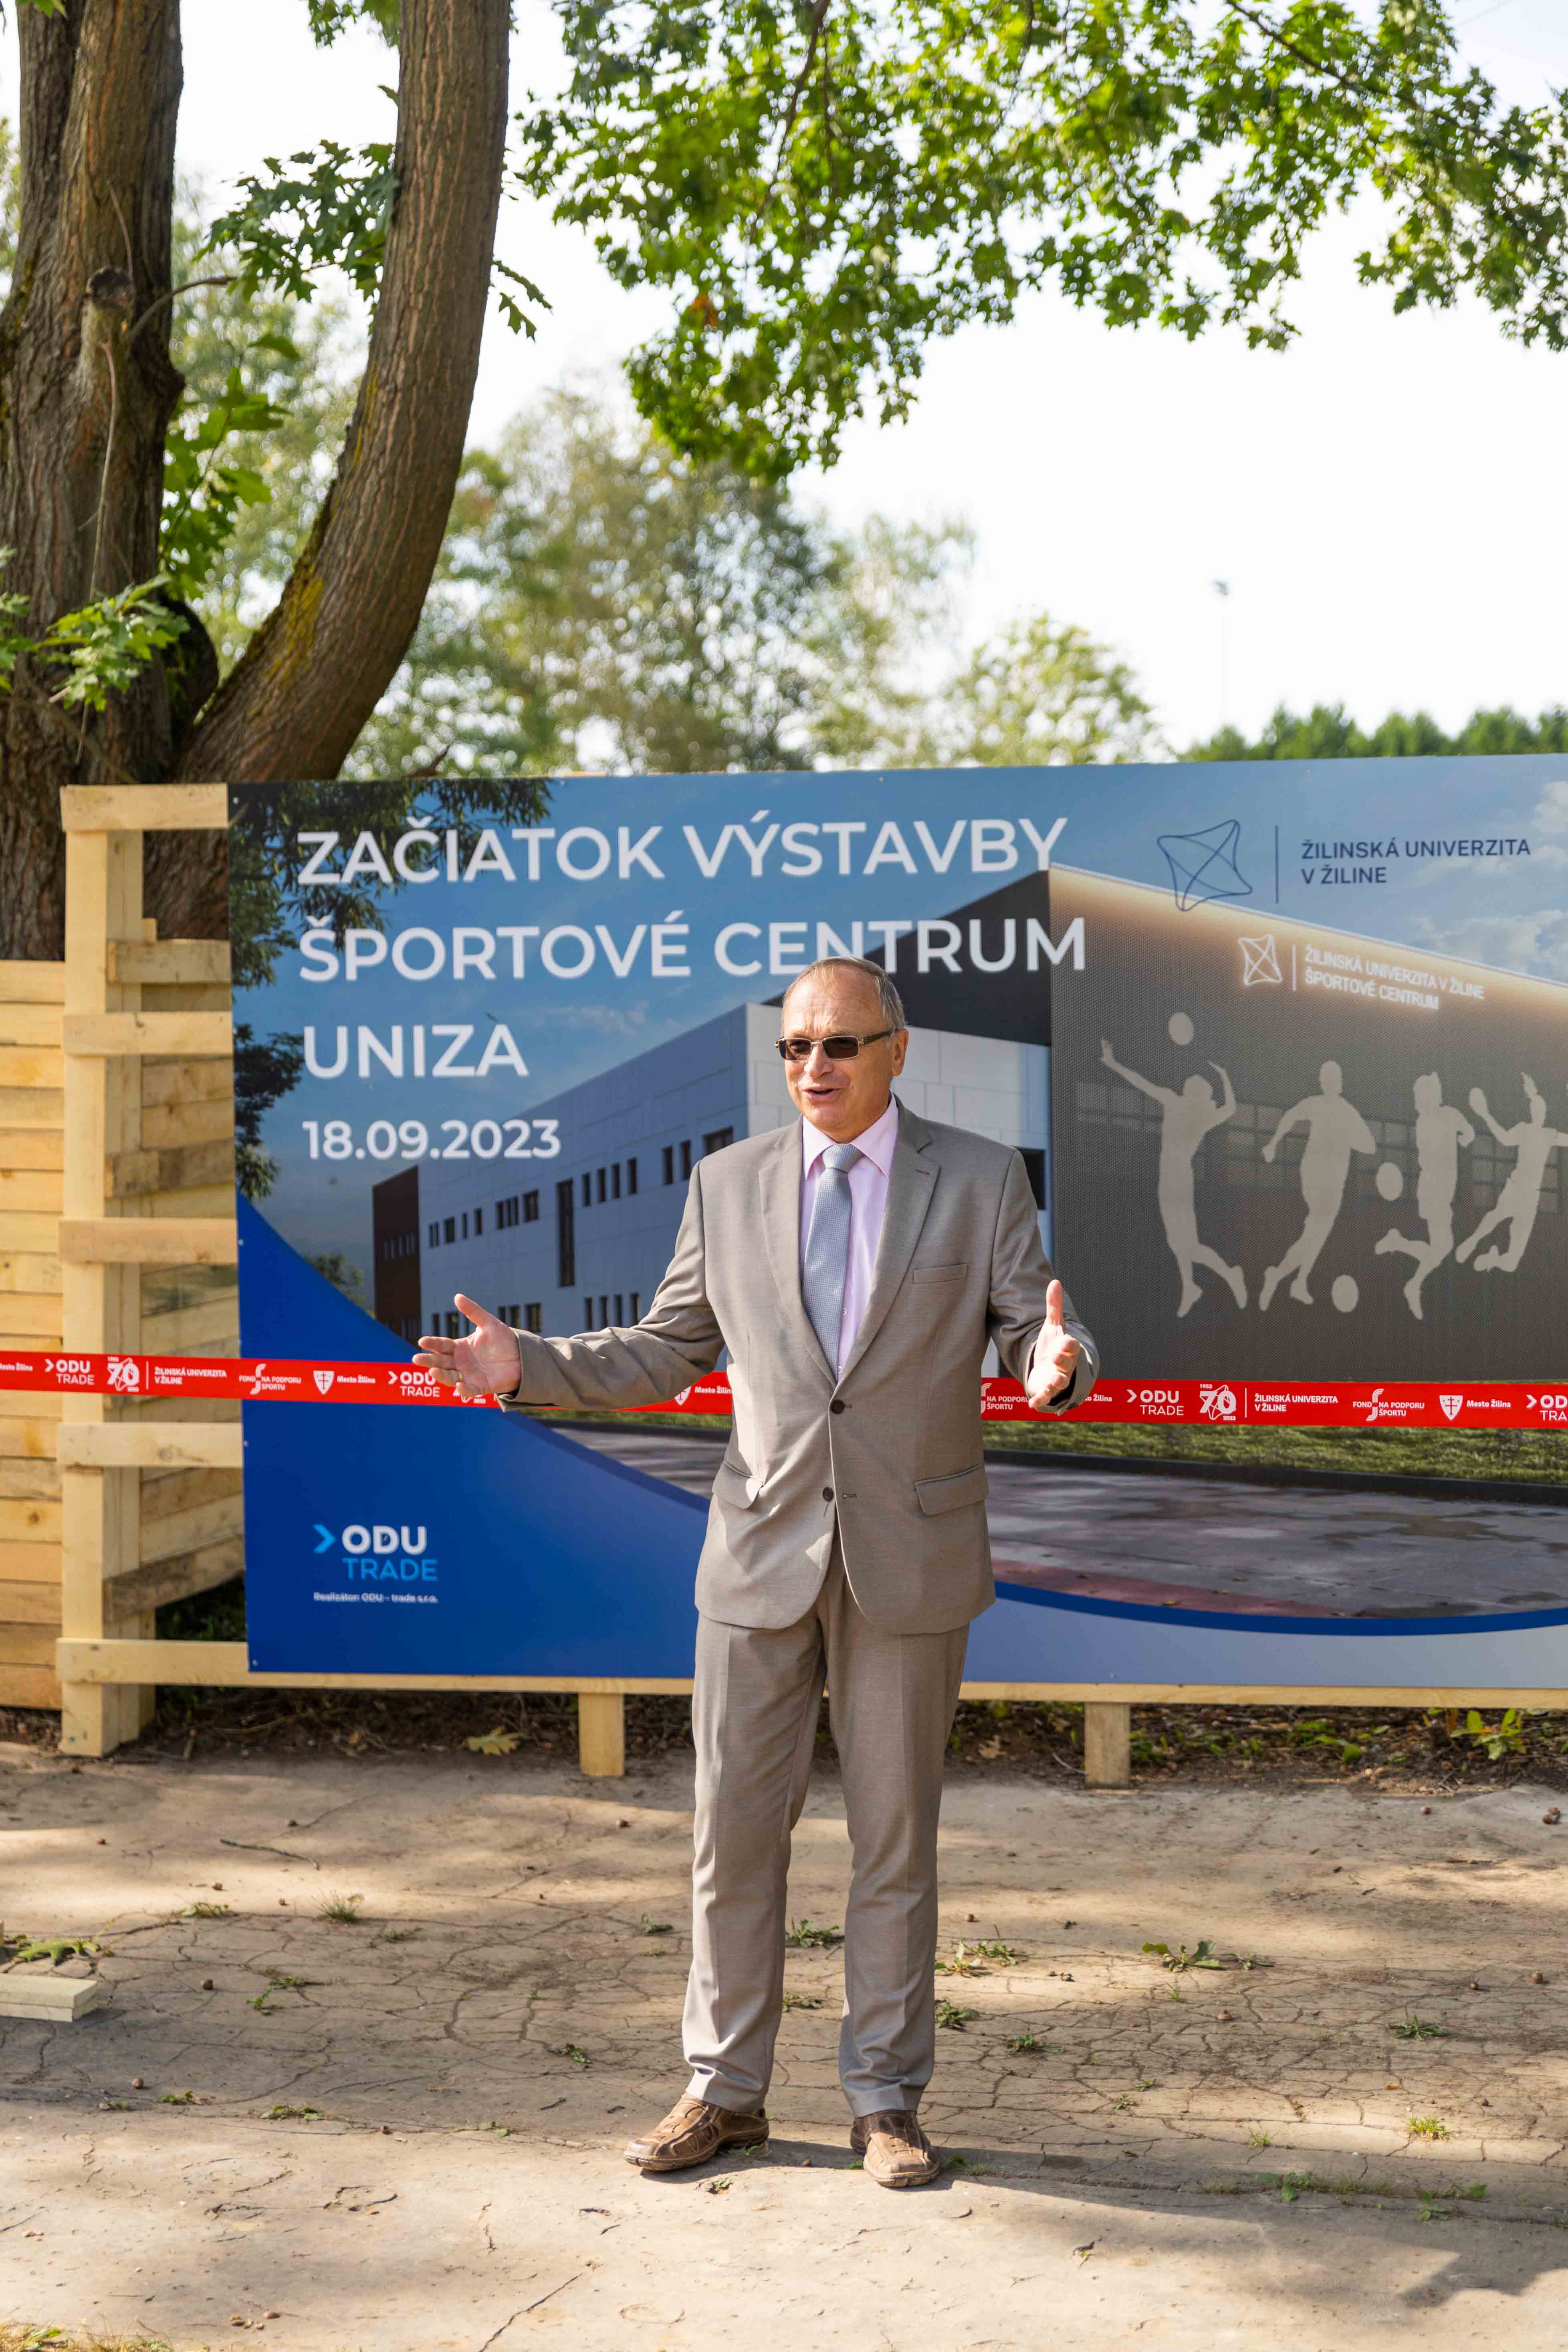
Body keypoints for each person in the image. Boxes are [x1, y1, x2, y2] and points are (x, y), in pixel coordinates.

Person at [415, 957, 1097, 2190]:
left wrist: (1055, 1359)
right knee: (732, 1835)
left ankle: (884, 2100)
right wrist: (531, 1366)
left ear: (897, 1049)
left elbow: (1023, 1328)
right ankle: (723, 2090)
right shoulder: (724, 1184)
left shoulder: (980, 1175)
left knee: (893, 1842)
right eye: (793, 1047)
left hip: (909, 1555)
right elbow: (669, 1345)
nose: (813, 1066)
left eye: (838, 1043)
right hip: (756, 1553)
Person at [1098, 1037, 1246, 1316]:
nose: (1187, 1086)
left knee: (1188, 1245)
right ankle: (1190, 1286)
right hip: (1169, 1179)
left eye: (1192, 1085)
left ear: (1198, 1093)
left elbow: (1230, 1109)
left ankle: (1229, 1274)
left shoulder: (1189, 1110)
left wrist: (1225, 1077)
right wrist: (1113, 1063)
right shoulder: (1182, 1105)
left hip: (1178, 1180)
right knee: (1178, 1243)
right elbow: (1142, 1083)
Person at [1258, 1061, 1377, 1310]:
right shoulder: (1323, 1106)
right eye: (1329, 1079)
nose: (1332, 1083)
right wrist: (1273, 1143)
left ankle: (1297, 1281)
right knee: (1317, 1230)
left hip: (1329, 1180)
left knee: (1316, 1233)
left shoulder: (1346, 1111)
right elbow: (1291, 1115)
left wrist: (1274, 1143)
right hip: (1319, 1177)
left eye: (1335, 1079)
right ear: (1324, 1083)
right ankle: (1281, 1277)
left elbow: (1370, 1146)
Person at [1374, 1071, 1475, 1320]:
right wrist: (1463, 1140)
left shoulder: (1433, 1119)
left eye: (1418, 1096)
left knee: (1441, 1249)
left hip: (1435, 1190)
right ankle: (1408, 1272)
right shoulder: (1440, 1118)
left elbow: (1466, 1134)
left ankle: (1402, 1253)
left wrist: (1462, 1138)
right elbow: (1469, 1133)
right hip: (1435, 1191)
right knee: (1443, 1248)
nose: (1417, 1102)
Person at [1455, 1075, 1568, 1273]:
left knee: (1512, 1264)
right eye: (1537, 1110)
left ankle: (1493, 1260)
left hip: (1531, 1196)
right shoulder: (1524, 1129)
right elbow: (1505, 1139)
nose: (1540, 1113)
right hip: (1516, 1188)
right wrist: (1486, 1116)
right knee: (1496, 1216)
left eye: (1542, 1110)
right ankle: (1472, 1242)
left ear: (1545, 1113)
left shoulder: (1548, 1134)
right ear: (1532, 1112)